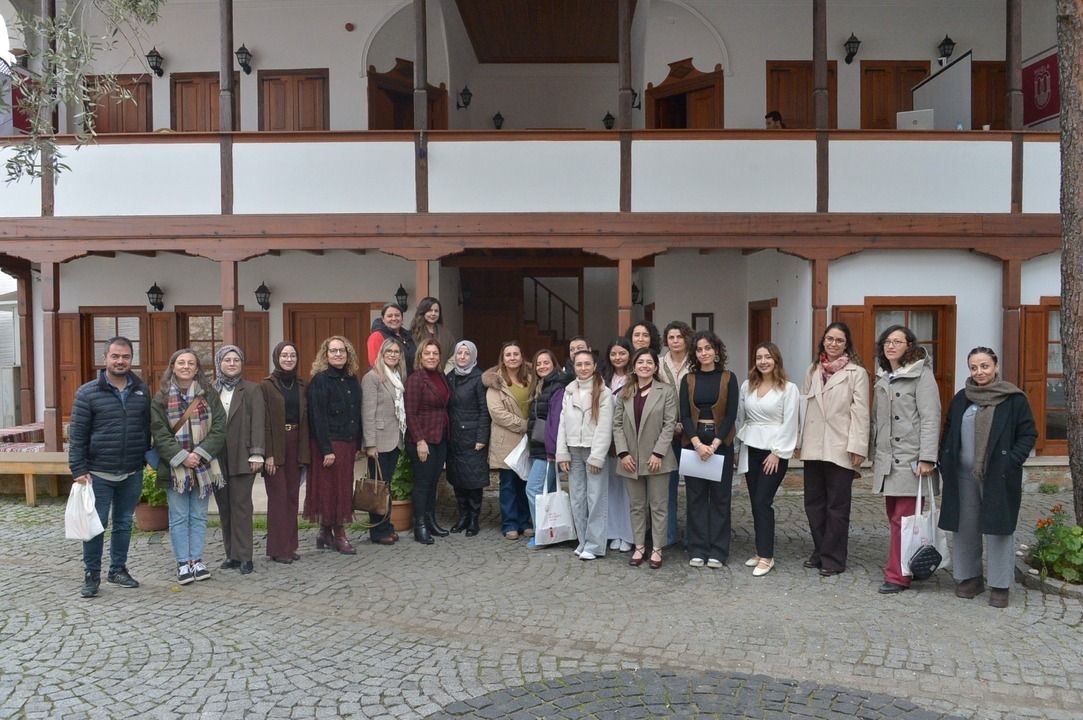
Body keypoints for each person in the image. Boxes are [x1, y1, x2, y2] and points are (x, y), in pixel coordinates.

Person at [939, 347, 1037, 608]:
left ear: (995, 366)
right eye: (974, 367)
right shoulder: (961, 398)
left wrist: (1011, 460)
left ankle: (1000, 584)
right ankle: (969, 578)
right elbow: (948, 430)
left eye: (984, 366)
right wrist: (944, 458)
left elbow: (1028, 434)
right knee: (965, 527)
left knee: (998, 528)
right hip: (962, 476)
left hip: (999, 475)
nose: (979, 372)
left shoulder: (1013, 399)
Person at [68, 336, 151, 598]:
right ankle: (92, 574)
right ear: (105, 358)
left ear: (132, 359)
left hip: (131, 471)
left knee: (124, 523)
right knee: (96, 526)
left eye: (125, 356)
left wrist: (145, 460)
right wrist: (78, 469)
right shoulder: (87, 393)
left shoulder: (141, 390)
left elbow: (146, 428)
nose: (120, 361)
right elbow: (77, 435)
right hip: (97, 474)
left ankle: (117, 570)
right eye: (115, 356)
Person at [869, 326, 941, 594]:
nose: (891, 346)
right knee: (894, 516)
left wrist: (927, 458)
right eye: (887, 341)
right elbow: (877, 421)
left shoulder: (922, 375)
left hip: (912, 459)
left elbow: (931, 417)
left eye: (897, 341)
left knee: (904, 518)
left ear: (909, 345)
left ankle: (897, 576)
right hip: (889, 459)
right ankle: (910, 562)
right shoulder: (883, 376)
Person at [798, 322, 869, 577]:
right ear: (823, 341)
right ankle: (821, 549)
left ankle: (834, 558)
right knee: (813, 503)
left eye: (839, 340)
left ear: (846, 344)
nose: (833, 344)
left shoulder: (856, 373)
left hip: (840, 445)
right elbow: (803, 406)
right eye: (830, 339)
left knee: (837, 506)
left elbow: (860, 412)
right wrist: (798, 441)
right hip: (813, 444)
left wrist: (858, 446)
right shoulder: (813, 370)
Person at [150, 348, 227, 586]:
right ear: (173, 367)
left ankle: (197, 560)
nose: (186, 366)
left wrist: (199, 454)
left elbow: (220, 427)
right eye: (181, 362)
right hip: (176, 469)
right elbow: (159, 432)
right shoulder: (161, 397)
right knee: (179, 516)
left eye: (190, 363)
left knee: (199, 516)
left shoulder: (209, 394)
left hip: (203, 466)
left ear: (197, 369)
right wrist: (182, 456)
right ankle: (183, 563)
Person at [736, 342, 799, 577]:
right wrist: (738, 448)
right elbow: (742, 418)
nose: (763, 361)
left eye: (768, 357)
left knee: (763, 501)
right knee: (755, 501)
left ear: (776, 360)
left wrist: (777, 452)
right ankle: (760, 550)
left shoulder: (788, 389)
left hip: (773, 452)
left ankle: (767, 556)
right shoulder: (748, 386)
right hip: (751, 448)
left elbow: (790, 422)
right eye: (759, 357)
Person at [613, 347, 677, 570]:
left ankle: (657, 548)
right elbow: (617, 424)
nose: (645, 366)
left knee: (658, 506)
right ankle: (639, 546)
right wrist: (623, 453)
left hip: (657, 458)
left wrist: (658, 453)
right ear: (634, 366)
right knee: (637, 506)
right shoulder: (625, 392)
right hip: (630, 459)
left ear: (655, 367)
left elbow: (670, 424)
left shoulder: (666, 391)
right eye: (640, 362)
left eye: (649, 362)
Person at [679, 331, 738, 568]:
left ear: (716, 350)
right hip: (693, 443)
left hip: (720, 443)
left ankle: (718, 551)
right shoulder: (688, 379)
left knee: (721, 499)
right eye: (699, 349)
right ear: (694, 353)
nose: (704, 353)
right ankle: (698, 548)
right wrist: (697, 443)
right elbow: (684, 414)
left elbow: (731, 414)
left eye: (708, 348)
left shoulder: (728, 378)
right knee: (695, 499)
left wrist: (714, 444)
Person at [305, 336, 363, 555]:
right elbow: (317, 418)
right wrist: (326, 450)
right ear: (326, 355)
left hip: (348, 443)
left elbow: (356, 412)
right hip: (329, 444)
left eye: (342, 351)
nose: (338, 354)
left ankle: (324, 533)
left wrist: (358, 442)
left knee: (341, 487)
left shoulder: (352, 379)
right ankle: (339, 535)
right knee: (331, 490)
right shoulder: (320, 380)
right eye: (333, 351)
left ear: (348, 355)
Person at [212, 345, 265, 575]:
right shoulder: (210, 389)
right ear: (219, 363)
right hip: (216, 457)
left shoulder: (252, 389)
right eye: (227, 360)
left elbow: (258, 422)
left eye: (236, 360)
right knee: (224, 506)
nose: (232, 364)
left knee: (241, 506)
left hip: (243, 456)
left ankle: (245, 556)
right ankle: (231, 554)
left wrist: (257, 453)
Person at [556, 349, 614, 560]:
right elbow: (562, 423)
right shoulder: (569, 391)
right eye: (579, 364)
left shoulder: (604, 392)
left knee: (595, 498)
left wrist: (597, 456)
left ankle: (595, 545)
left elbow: (605, 427)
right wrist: (562, 453)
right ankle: (583, 541)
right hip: (573, 450)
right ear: (574, 367)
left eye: (587, 364)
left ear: (594, 366)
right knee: (577, 498)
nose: (583, 368)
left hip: (592, 449)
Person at [261, 341, 310, 564]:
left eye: (292, 355)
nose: (288, 359)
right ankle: (278, 549)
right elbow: (264, 421)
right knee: (278, 497)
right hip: (275, 444)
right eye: (284, 355)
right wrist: (268, 454)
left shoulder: (301, 384)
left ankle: (290, 546)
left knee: (291, 496)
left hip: (296, 442)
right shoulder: (266, 386)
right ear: (276, 358)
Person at [484, 341, 534, 540]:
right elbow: (497, 413)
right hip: (507, 439)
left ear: (522, 357)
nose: (512, 358)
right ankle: (510, 523)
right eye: (508, 355)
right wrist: (525, 424)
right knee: (508, 485)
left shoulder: (531, 379)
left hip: (528, 441)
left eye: (516, 354)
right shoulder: (496, 382)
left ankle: (525, 521)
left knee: (525, 483)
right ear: (502, 359)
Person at [405, 339, 452, 544]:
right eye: (427, 353)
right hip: (422, 439)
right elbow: (410, 413)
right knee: (423, 483)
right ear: (420, 356)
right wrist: (420, 441)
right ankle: (420, 525)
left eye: (435, 353)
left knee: (433, 482)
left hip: (440, 437)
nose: (431, 357)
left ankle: (431, 521)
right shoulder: (416, 379)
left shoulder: (441, 377)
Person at [361, 337, 407, 546]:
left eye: (396, 352)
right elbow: (367, 412)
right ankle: (377, 531)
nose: (393, 355)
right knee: (377, 487)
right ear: (382, 353)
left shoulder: (397, 376)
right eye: (389, 351)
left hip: (395, 439)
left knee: (386, 486)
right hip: (379, 441)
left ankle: (386, 526)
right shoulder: (372, 377)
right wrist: (370, 444)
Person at [445, 340, 490, 537]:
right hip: (454, 437)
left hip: (473, 438)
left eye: (466, 354)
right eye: (459, 353)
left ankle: (473, 520)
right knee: (458, 479)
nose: (462, 357)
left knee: (473, 481)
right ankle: (462, 517)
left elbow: (484, 410)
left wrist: (482, 437)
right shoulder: (449, 377)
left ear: (473, 356)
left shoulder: (479, 378)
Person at [524, 348, 564, 548]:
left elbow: (556, 421)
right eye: (538, 363)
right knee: (550, 492)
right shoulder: (541, 385)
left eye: (546, 362)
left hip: (547, 450)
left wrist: (552, 450)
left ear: (554, 364)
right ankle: (552, 533)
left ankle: (541, 535)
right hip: (539, 447)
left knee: (533, 489)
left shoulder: (557, 386)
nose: (542, 366)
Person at [660, 320, 693, 547]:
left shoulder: (695, 362)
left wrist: (687, 426)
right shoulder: (659, 364)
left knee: (694, 488)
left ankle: (692, 537)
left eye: (679, 337)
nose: (675, 341)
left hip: (692, 435)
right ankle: (668, 535)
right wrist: (670, 424)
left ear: (686, 339)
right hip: (666, 433)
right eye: (671, 337)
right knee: (667, 488)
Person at [601, 338, 635, 552]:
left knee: (629, 490)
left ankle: (629, 534)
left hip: (630, 439)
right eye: (613, 354)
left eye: (622, 353)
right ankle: (613, 532)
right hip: (608, 440)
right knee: (611, 488)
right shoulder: (604, 378)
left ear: (629, 354)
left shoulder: (636, 377)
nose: (617, 357)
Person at [367, 303, 417, 374]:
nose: (394, 318)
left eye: (397, 315)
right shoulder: (377, 336)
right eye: (389, 316)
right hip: (387, 379)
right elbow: (375, 364)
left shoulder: (408, 336)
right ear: (383, 319)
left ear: (402, 318)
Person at [411, 296, 455, 371]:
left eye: (436, 311)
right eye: (430, 310)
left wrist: (445, 372)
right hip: (420, 374)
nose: (433, 313)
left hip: (442, 374)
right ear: (423, 312)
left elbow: (453, 356)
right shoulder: (414, 333)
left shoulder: (446, 333)